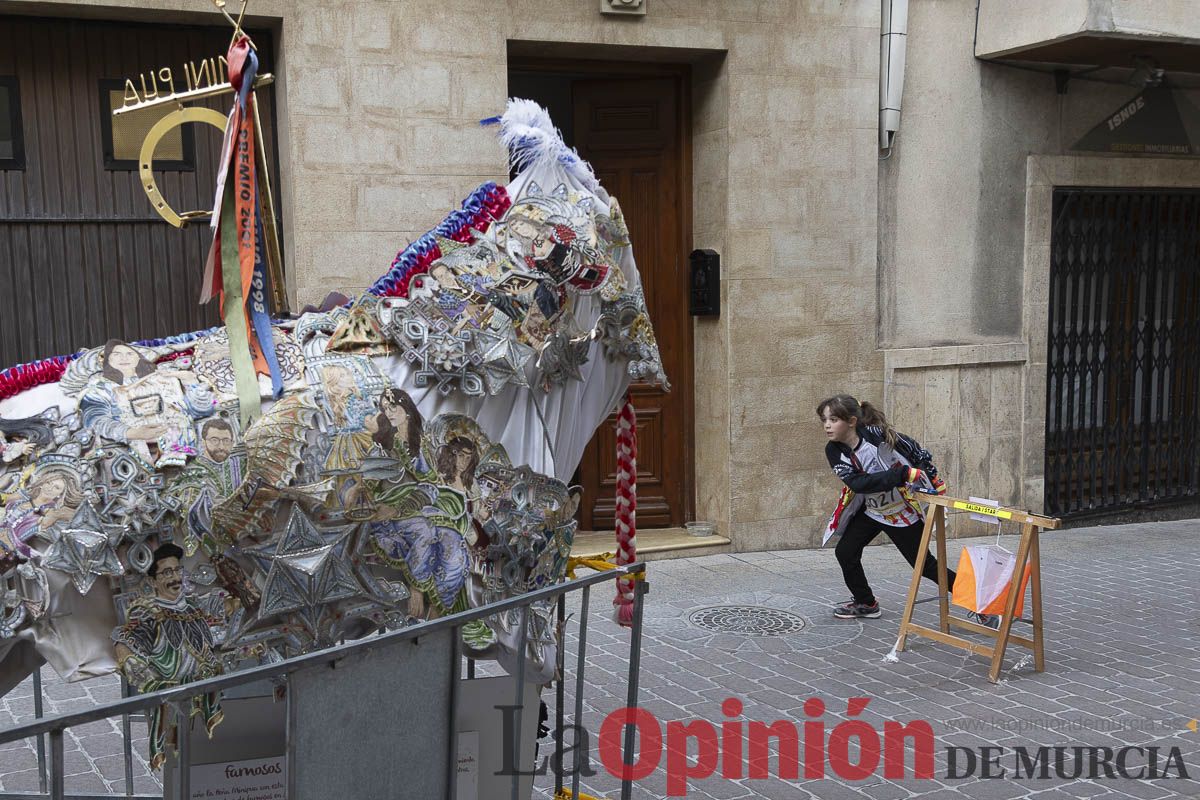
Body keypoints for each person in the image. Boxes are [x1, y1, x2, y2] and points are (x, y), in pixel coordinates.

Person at [818, 394, 956, 620]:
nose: (827, 426)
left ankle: (979, 601)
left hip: (903, 512)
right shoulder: (834, 450)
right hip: (873, 510)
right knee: (845, 551)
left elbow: (915, 452)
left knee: (925, 566)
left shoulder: (875, 434)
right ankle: (866, 602)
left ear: (851, 421)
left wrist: (926, 476)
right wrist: (900, 474)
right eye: (824, 420)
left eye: (833, 420)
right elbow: (857, 483)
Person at [112, 543, 223, 770]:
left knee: (200, 759)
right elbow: (123, 645)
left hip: (200, 692)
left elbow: (210, 640)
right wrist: (149, 681)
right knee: (175, 757)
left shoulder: (192, 607)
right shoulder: (146, 612)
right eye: (167, 573)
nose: (175, 578)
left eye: (177, 570)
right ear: (153, 581)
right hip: (167, 697)